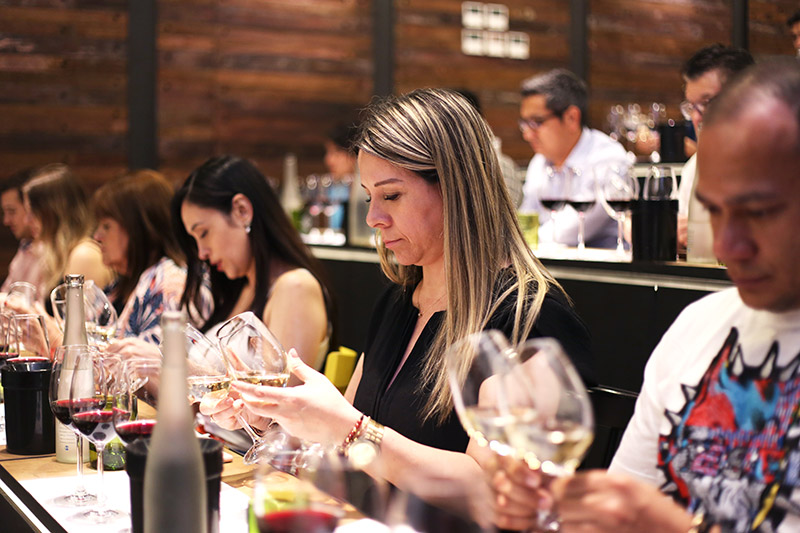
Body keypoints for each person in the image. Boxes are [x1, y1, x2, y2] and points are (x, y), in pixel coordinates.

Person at [201, 89, 594, 518]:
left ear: (457, 188)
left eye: (391, 196)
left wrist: (350, 429)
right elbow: (352, 447)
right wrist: (278, 420)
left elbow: (496, 492)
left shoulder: (529, 316)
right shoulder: (399, 301)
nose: (373, 217)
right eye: (369, 196)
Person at [491, 60, 800, 533]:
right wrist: (555, 510)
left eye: (758, 212)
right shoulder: (698, 326)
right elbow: (622, 501)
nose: (726, 245)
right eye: (714, 212)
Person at [175, 155, 334, 371]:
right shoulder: (244, 288)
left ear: (242, 210)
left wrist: (175, 370)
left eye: (203, 233)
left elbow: (282, 389)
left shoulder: (295, 287)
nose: (202, 253)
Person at [92, 169, 209, 344]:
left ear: (137, 228)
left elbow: (150, 357)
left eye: (106, 226)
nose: (97, 236)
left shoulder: (168, 285)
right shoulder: (120, 286)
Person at [518, 69, 627, 249]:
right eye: (524, 124)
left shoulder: (607, 157)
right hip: (549, 260)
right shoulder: (539, 161)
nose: (527, 135)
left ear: (571, 118)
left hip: (601, 263)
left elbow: (571, 229)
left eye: (536, 122)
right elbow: (527, 219)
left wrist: (520, 241)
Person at [676, 44, 754, 248]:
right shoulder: (694, 168)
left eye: (707, 103)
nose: (696, 118)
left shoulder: (783, 160)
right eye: (691, 107)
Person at [23, 163, 114, 303]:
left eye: (33, 212)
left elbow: (79, 318)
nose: (27, 220)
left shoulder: (83, 255)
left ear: (54, 213)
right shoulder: (64, 254)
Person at [0, 168, 45, 293]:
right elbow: (7, 295)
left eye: (12, 211)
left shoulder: (54, 252)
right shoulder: (26, 246)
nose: (6, 221)